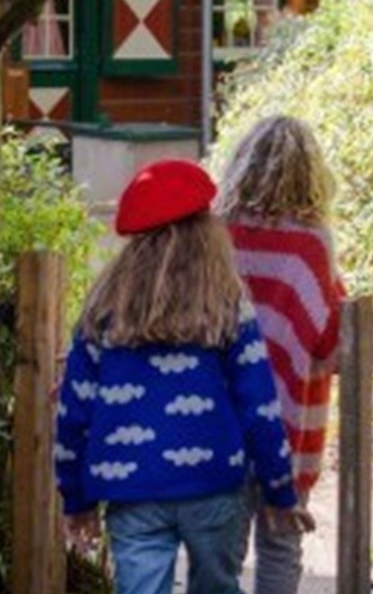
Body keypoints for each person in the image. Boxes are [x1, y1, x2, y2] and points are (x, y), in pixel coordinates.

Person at [55, 158, 302, 594]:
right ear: (207, 234)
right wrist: (280, 490)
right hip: (214, 487)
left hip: (133, 492)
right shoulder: (227, 308)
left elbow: (73, 413)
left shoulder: (102, 311)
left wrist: (77, 501)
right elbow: (260, 408)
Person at [219, 116, 345, 594]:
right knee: (280, 544)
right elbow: (326, 341)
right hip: (291, 423)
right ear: (310, 174)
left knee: (221, 548)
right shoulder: (313, 243)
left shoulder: (217, 234)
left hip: (221, 417)